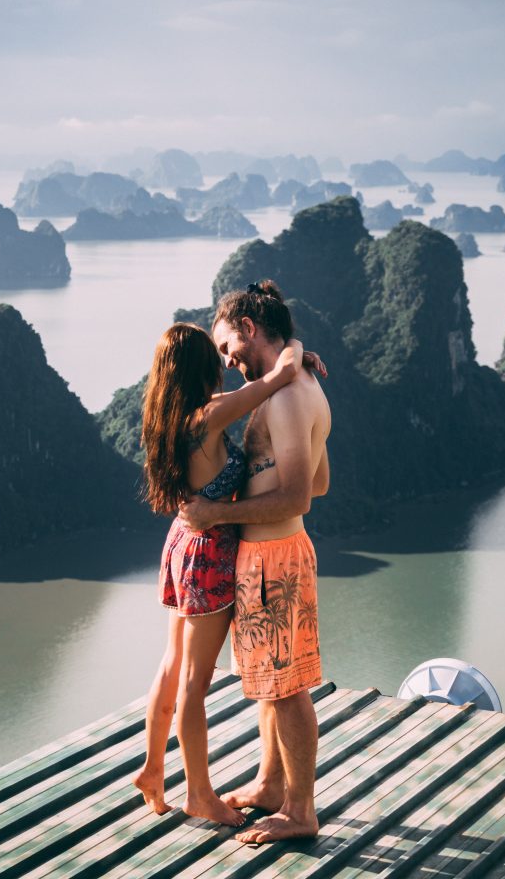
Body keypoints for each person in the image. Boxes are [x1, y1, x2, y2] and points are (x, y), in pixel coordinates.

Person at [132, 321, 321, 826]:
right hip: (211, 552)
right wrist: (299, 351)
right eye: (215, 357)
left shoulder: (167, 418)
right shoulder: (210, 415)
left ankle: (152, 769)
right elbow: (274, 378)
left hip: (181, 543)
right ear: (201, 369)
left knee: (172, 665)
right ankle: (198, 793)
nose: (225, 363)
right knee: (195, 682)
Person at [179, 281, 331, 844]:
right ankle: (272, 784)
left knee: (287, 689)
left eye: (226, 347)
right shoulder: (297, 384)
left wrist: (216, 511)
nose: (225, 360)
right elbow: (319, 476)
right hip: (275, 553)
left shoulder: (287, 396)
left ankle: (300, 810)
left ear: (247, 328)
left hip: (273, 560)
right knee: (273, 683)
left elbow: (298, 496)